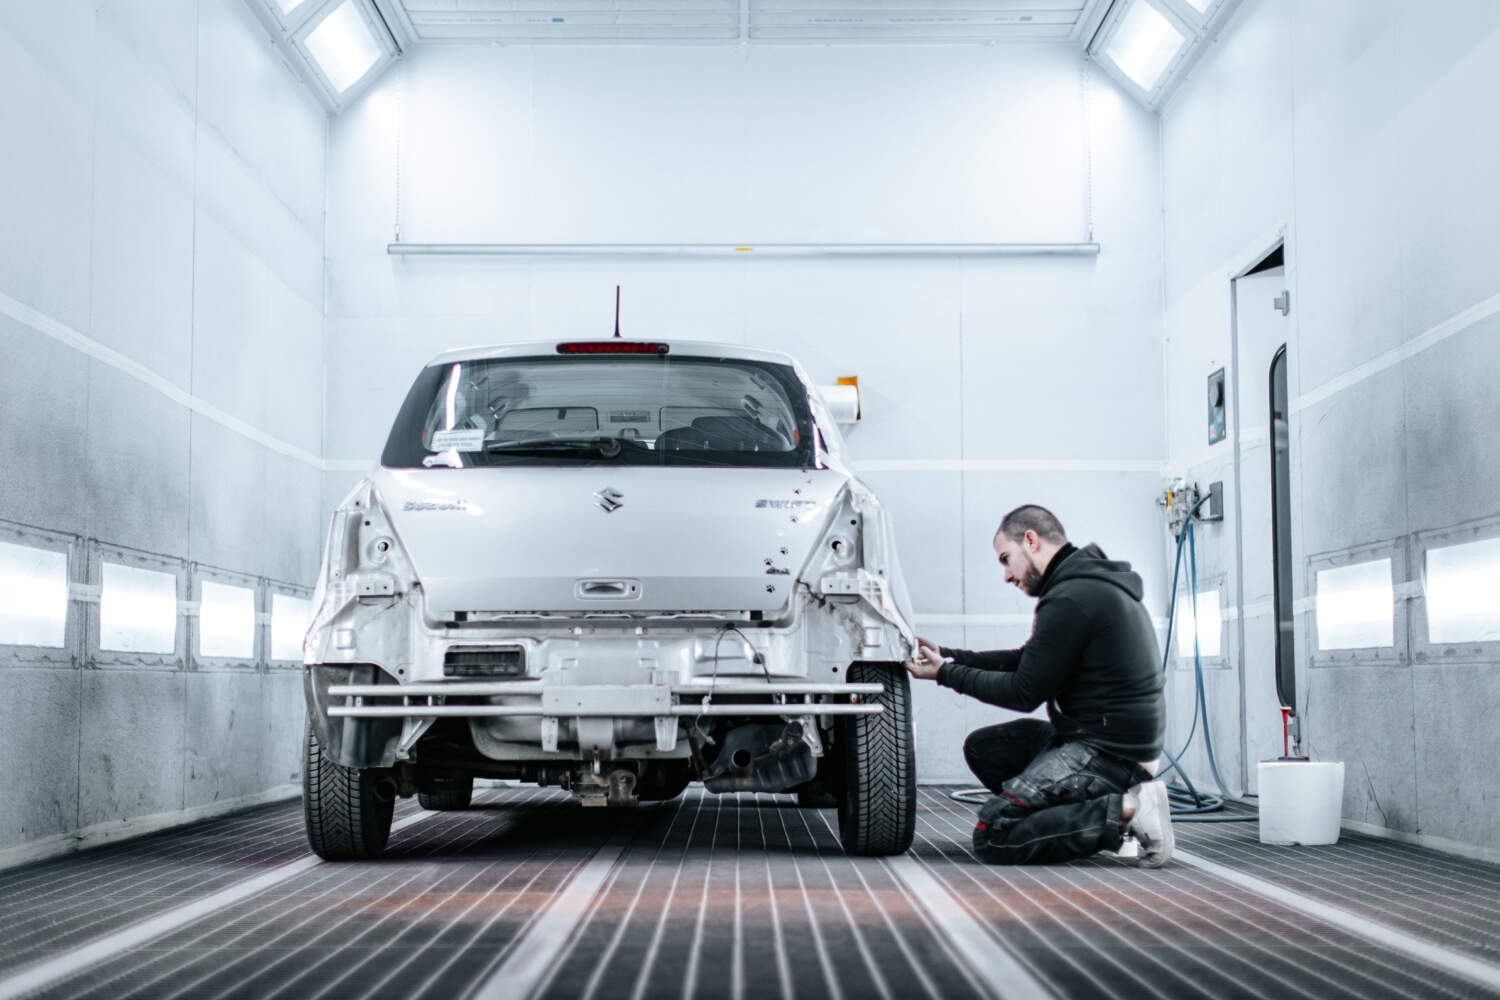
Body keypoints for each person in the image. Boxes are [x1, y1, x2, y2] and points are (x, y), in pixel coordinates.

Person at [905, 504, 1174, 866]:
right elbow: (1027, 659)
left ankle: (1127, 809)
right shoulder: (1085, 586)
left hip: (1108, 756)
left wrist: (943, 674)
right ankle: (1109, 824)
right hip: (1100, 743)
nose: (1006, 575)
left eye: (1006, 558)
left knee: (994, 832)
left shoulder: (1071, 597)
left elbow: (1022, 692)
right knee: (987, 749)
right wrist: (949, 656)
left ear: (1030, 540)